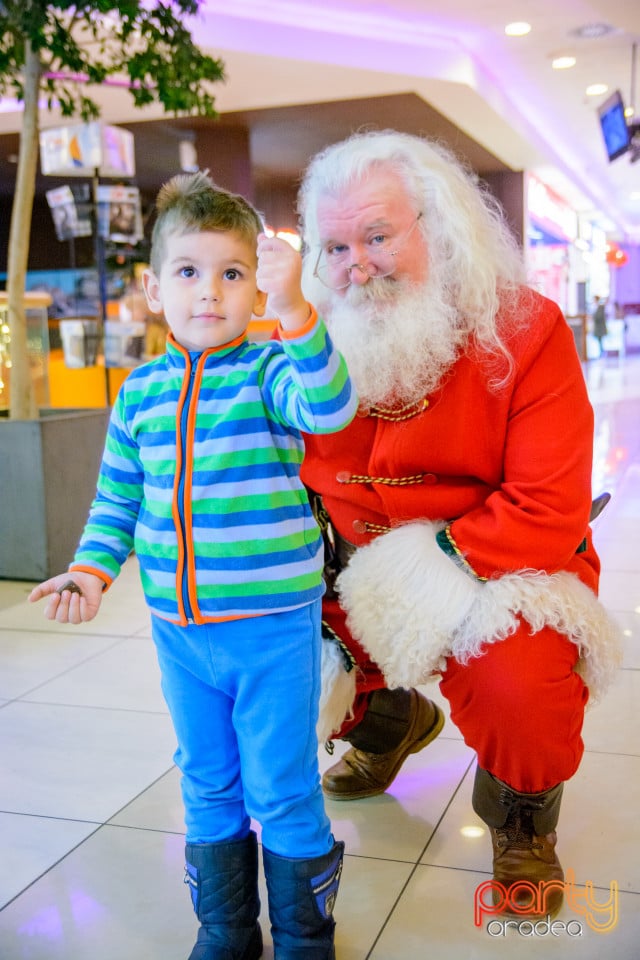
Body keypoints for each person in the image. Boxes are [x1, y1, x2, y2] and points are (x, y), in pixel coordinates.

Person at [29, 171, 357, 960]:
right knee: (206, 782)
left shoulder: (274, 370)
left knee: (280, 788)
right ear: (151, 287)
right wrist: (90, 571)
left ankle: (306, 937)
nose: (209, 293)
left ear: (255, 289)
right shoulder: (140, 393)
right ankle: (225, 930)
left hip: (273, 631)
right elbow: (116, 502)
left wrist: (301, 316)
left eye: (232, 274)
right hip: (180, 634)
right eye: (188, 271)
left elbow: (333, 408)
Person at [296, 130, 622, 918]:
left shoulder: (525, 328)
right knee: (285, 634)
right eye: (335, 245)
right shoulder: (302, 339)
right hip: (344, 560)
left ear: (435, 227)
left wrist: (413, 578)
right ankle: (389, 722)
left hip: (499, 565)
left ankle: (521, 817)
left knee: (518, 675)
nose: (357, 264)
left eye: (378, 236)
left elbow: (546, 505)